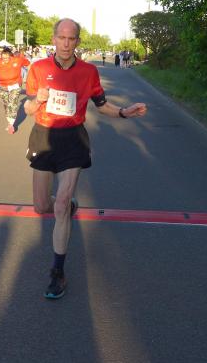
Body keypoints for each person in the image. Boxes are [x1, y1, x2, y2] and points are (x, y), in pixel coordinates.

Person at [23, 18, 147, 299]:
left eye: (72, 39)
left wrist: (124, 112)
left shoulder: (89, 71)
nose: (66, 44)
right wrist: (38, 100)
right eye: (62, 38)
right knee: (42, 206)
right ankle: (68, 207)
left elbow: (101, 106)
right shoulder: (38, 68)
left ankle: (57, 272)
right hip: (43, 136)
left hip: (73, 139)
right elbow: (28, 109)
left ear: (77, 41)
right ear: (53, 39)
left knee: (61, 203)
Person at [0, 46, 30, 134]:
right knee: (6, 105)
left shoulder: (18, 60)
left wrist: (30, 75)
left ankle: (11, 124)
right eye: (3, 58)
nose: (5, 60)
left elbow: (28, 64)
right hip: (3, 87)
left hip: (15, 86)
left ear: (10, 56)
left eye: (7, 58)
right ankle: (9, 121)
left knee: (12, 103)